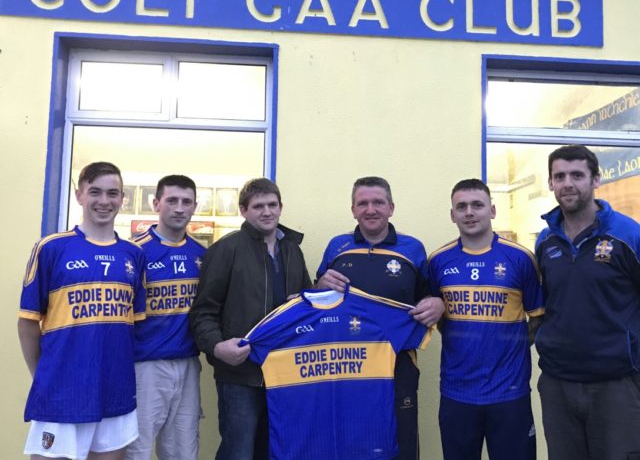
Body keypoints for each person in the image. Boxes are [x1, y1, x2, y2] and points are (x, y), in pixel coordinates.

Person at [18, 161, 147, 460]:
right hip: (62, 390)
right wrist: (43, 377)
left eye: (113, 193)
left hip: (116, 389)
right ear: (79, 195)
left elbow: (134, 327)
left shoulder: (134, 255)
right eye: (95, 192)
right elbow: (27, 323)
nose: (104, 201)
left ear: (122, 198)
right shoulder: (50, 248)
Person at [316, 176, 444, 460]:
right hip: (345, 362)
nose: (370, 209)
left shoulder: (413, 248)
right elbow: (317, 302)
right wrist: (319, 285)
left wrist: (438, 304)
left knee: (401, 438)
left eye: (378, 202)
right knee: (349, 438)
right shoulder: (337, 247)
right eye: (363, 203)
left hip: (397, 363)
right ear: (353, 209)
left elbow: (430, 297)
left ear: (391, 207)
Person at [189, 177, 312, 460]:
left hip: (285, 374)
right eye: (258, 206)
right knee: (239, 452)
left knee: (276, 450)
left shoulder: (292, 250)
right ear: (243, 210)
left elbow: (303, 304)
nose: (266, 211)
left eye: (272, 205)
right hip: (240, 375)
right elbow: (203, 312)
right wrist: (218, 348)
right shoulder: (225, 250)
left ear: (281, 207)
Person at [535, 145, 640, 460]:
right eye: (560, 176)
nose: (568, 183)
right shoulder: (545, 241)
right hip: (557, 382)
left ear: (596, 179)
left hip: (616, 384)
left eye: (577, 175)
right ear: (551, 183)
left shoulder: (627, 236)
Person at [428, 178, 544, 460]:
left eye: (477, 205)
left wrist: (512, 347)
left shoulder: (521, 258)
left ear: (492, 210)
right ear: (452, 214)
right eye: (462, 206)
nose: (469, 212)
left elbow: (538, 318)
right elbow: (437, 314)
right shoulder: (437, 261)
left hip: (509, 392)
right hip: (457, 392)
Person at [125, 175, 206, 460]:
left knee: (183, 450)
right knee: (138, 449)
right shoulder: (134, 251)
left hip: (188, 365)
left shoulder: (202, 254)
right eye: (172, 200)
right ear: (156, 203)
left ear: (195, 206)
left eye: (186, 202)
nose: (179, 208)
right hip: (145, 367)